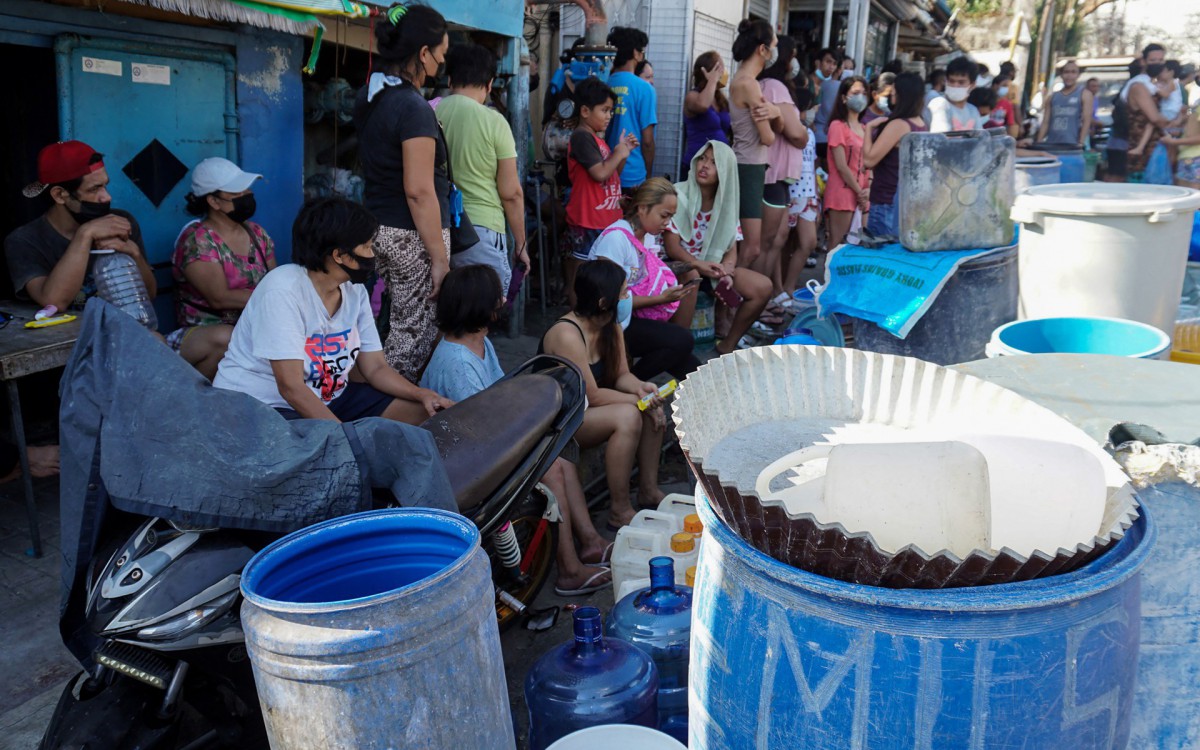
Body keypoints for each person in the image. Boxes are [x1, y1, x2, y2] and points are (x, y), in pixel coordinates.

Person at [420, 264, 613, 595]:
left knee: (559, 452)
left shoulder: (479, 343)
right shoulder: (456, 362)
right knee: (550, 467)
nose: (502, 302)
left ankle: (590, 542)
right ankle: (568, 569)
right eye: (496, 297)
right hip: (466, 464)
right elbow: (480, 428)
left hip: (482, 446)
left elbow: (500, 399)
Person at [213, 197, 452, 423]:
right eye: (367, 247)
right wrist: (344, 439)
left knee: (428, 416)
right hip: (262, 406)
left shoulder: (353, 290)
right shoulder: (282, 290)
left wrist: (421, 394)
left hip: (328, 398)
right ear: (339, 255)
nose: (374, 255)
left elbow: (376, 367)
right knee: (333, 455)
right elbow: (292, 389)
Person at [354, 3, 452, 382]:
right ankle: (395, 421)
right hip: (413, 235)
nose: (440, 65)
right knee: (412, 340)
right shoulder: (413, 107)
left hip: (377, 226)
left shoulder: (371, 95)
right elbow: (418, 190)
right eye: (439, 56)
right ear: (424, 53)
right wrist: (439, 259)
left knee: (382, 328)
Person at [539, 259, 670, 529]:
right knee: (630, 415)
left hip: (590, 409)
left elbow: (622, 375)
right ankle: (619, 509)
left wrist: (641, 389)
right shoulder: (567, 334)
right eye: (623, 292)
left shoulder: (611, 326)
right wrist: (641, 402)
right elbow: (594, 396)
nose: (627, 297)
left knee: (652, 408)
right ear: (602, 302)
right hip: (563, 420)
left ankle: (648, 490)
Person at [6, 140, 155, 312]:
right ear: (60, 195)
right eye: (94, 189)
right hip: (66, 337)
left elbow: (149, 295)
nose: (106, 197)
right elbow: (54, 301)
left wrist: (134, 253)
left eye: (105, 185)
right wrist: (85, 233)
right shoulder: (24, 241)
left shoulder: (120, 222)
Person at [171, 157, 276, 380]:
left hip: (251, 327)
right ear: (214, 201)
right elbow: (219, 298)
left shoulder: (257, 234)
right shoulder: (198, 240)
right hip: (206, 333)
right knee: (227, 337)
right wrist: (273, 299)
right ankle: (195, 400)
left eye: (247, 190)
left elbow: (273, 281)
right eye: (237, 193)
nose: (246, 196)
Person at [437, 43, 529, 295]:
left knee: (444, 313)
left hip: (435, 228)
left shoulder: (430, 111)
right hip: (481, 232)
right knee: (483, 311)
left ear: (449, 79)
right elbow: (511, 193)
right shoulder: (494, 121)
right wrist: (520, 244)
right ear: (489, 84)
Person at [588, 178, 701, 381]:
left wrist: (695, 266)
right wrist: (660, 299)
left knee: (694, 368)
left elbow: (653, 272)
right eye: (664, 216)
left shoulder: (646, 236)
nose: (667, 224)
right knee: (681, 340)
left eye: (671, 217)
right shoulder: (616, 240)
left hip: (630, 318)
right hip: (607, 325)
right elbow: (608, 301)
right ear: (642, 208)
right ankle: (627, 384)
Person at [664, 142, 772, 353]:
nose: (704, 165)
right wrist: (698, 264)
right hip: (680, 266)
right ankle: (678, 350)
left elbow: (731, 246)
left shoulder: (726, 203)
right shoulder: (678, 194)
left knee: (763, 287)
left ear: (725, 171)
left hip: (711, 268)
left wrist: (727, 271)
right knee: (692, 274)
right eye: (702, 158)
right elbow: (671, 247)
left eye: (714, 162)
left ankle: (727, 345)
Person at [565, 78, 634, 307]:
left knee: (600, 271)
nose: (609, 116)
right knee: (581, 269)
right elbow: (600, 173)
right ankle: (577, 314)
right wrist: (618, 152)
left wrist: (621, 154)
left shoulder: (597, 139)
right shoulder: (581, 137)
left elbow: (612, 174)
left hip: (604, 218)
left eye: (611, 111)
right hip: (588, 219)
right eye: (604, 110)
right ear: (585, 110)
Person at [757, 36, 810, 305]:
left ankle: (764, 298)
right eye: (794, 55)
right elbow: (798, 135)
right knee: (766, 244)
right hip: (774, 174)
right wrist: (801, 130)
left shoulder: (763, 85)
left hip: (773, 173)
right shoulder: (775, 87)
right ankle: (758, 303)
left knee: (772, 241)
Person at [729, 19, 782, 268]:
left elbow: (776, 126)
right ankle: (729, 300)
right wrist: (775, 113)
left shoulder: (743, 80)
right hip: (748, 166)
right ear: (762, 49)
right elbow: (769, 137)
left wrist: (776, 113)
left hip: (748, 164)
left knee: (744, 244)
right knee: (751, 247)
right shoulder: (749, 84)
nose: (775, 50)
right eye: (774, 45)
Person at [862, 72, 927, 238]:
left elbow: (869, 160)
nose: (891, 93)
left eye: (894, 89)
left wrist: (868, 129)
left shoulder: (899, 124)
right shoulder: (920, 123)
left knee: (881, 259)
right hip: (904, 202)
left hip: (886, 200)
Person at [605, 27, 657, 191]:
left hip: (605, 168)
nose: (642, 56)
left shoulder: (604, 84)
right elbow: (647, 141)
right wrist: (648, 175)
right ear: (635, 53)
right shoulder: (645, 89)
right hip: (633, 174)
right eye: (641, 51)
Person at [825, 76, 871, 251]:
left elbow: (869, 165)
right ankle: (829, 279)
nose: (861, 97)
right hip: (843, 193)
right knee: (837, 245)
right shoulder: (837, 126)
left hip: (862, 195)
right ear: (844, 98)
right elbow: (841, 166)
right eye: (855, 93)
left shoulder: (866, 129)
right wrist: (860, 192)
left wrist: (867, 191)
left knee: (857, 248)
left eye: (864, 93)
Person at [682, 51, 731, 174]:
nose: (724, 72)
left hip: (718, 167)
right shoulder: (692, 96)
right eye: (720, 68)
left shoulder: (720, 99)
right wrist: (713, 81)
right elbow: (703, 105)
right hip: (697, 166)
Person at [1130, 60, 1185, 158]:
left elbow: (1166, 95)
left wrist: (1154, 87)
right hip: (1169, 111)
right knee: (1164, 130)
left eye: (1163, 71)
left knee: (1151, 124)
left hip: (1169, 111)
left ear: (1171, 72)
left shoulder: (1173, 82)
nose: (1160, 74)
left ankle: (1140, 147)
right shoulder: (1166, 83)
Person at [1034, 59, 1092, 146]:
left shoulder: (1084, 94)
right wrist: (1039, 142)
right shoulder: (1052, 97)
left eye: (1073, 72)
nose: (1069, 76)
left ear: (1078, 75)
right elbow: (1045, 122)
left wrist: (1081, 142)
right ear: (1061, 74)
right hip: (1052, 145)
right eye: (1066, 72)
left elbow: (1086, 120)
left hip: (1072, 145)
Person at [928, 56, 983, 133]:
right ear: (946, 81)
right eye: (951, 81)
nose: (955, 85)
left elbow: (980, 139)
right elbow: (941, 140)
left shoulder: (973, 111)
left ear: (972, 85)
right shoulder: (940, 104)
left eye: (961, 82)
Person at [812, 47, 843, 162]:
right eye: (828, 61)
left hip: (819, 137)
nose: (831, 67)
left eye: (834, 64)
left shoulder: (827, 85)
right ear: (818, 62)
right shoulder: (808, 83)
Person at [1162, 100, 1200, 187]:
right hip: (1189, 158)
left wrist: (1174, 142)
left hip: (1194, 159)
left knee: (1191, 197)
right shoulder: (1197, 105)